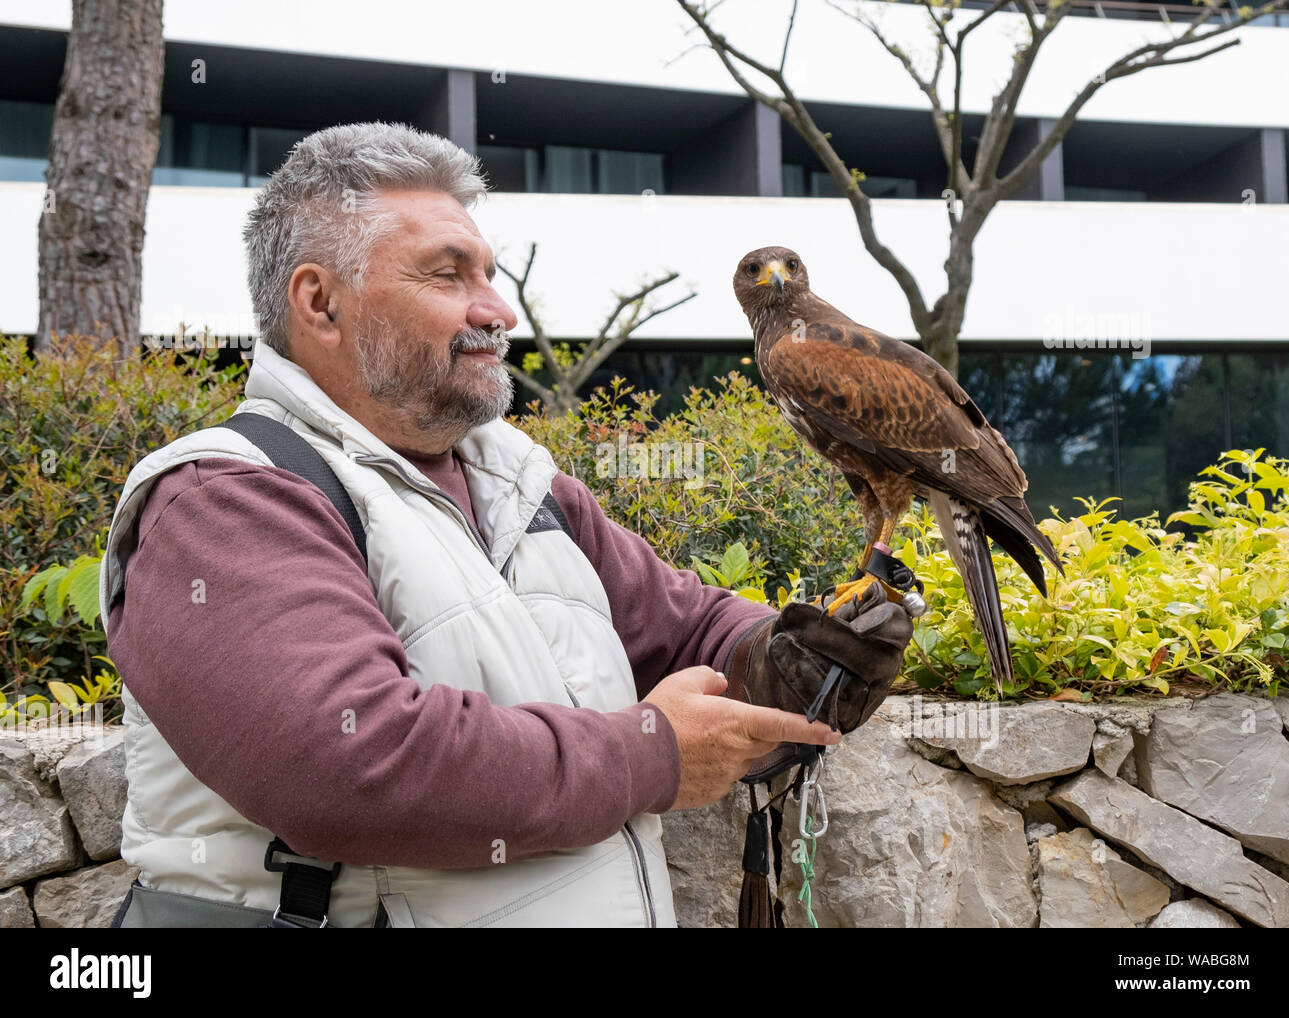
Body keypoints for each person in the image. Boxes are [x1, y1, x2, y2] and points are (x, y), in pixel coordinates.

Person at [100, 122, 912, 928]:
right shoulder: (223, 499)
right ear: (321, 303)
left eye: (487, 273)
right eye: (448, 276)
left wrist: (806, 657)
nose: (498, 310)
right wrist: (654, 754)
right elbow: (354, 764)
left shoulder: (521, 483)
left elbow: (688, 630)